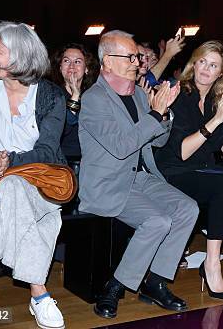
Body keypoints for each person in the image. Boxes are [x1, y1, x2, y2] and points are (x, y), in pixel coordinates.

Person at [79, 30, 198, 318]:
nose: (137, 62)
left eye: (138, 56)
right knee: (157, 221)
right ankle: (114, 287)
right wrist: (155, 115)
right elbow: (121, 147)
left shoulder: (139, 95)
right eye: (131, 57)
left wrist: (164, 113)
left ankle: (154, 282)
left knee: (188, 208)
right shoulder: (94, 99)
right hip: (107, 184)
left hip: (140, 178)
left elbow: (156, 141)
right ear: (108, 62)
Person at [0, 22, 68, 329]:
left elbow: (48, 150)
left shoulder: (51, 95)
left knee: (13, 185)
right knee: (46, 220)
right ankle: (39, 294)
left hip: (42, 176)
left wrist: (11, 162)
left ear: (20, 56)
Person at [155, 40, 223, 299]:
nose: (205, 68)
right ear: (194, 63)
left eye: (213, 65)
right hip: (174, 171)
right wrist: (214, 122)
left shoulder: (218, 99)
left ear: (220, 73)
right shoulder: (178, 93)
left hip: (204, 170)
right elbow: (182, 152)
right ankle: (211, 264)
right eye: (202, 61)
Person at [49, 43, 99, 166]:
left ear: (86, 68)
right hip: (63, 163)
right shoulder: (51, 94)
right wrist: (75, 97)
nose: (71, 66)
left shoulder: (94, 96)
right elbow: (62, 129)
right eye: (66, 61)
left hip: (92, 163)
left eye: (77, 61)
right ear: (60, 67)